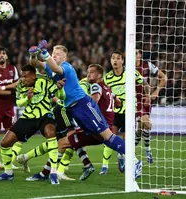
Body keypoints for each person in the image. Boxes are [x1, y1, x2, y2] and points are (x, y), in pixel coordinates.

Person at [29, 41, 143, 179]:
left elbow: (55, 67)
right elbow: (36, 64)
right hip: (73, 110)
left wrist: (45, 54)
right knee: (86, 140)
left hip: (83, 106)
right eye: (53, 54)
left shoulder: (66, 67)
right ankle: (48, 173)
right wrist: (34, 55)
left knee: (107, 136)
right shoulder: (51, 68)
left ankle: (135, 161)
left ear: (64, 58)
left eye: (57, 55)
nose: (54, 56)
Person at [0, 65, 64, 184]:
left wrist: (60, 89)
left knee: (51, 133)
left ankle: (53, 172)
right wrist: (28, 98)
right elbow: (19, 103)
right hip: (27, 118)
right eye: (22, 76)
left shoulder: (45, 81)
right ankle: (8, 173)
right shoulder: (20, 84)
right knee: (4, 143)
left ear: (33, 76)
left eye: (26, 76)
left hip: (44, 115)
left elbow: (61, 97)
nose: (23, 79)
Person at [103, 50, 150, 173]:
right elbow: (105, 93)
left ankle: (125, 159)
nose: (115, 60)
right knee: (110, 137)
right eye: (113, 58)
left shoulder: (131, 73)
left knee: (126, 139)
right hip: (114, 111)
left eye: (118, 58)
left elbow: (144, 83)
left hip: (129, 110)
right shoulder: (107, 78)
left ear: (122, 61)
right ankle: (106, 165)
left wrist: (148, 95)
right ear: (110, 61)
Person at [135, 49, 167, 163]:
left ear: (140, 55)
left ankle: (131, 150)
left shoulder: (147, 65)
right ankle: (147, 150)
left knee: (141, 128)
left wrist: (156, 92)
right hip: (132, 101)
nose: (134, 55)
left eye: (136, 53)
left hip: (146, 100)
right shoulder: (126, 68)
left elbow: (164, 77)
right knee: (147, 124)